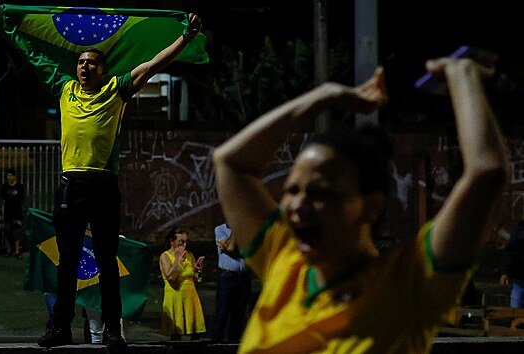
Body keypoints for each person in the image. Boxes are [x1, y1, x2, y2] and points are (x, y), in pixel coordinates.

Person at [212, 56, 509, 353]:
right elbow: (229, 162)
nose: (298, 205)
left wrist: (461, 74)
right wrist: (324, 96)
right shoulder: (284, 260)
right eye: (292, 190)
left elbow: (486, 172)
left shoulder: (408, 283)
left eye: (320, 193)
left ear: (372, 206)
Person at [0, 7, 204, 349]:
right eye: (81, 62)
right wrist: (7, 27)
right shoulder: (63, 87)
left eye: (92, 62)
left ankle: (111, 330)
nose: (85, 66)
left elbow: (155, 64)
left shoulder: (117, 89)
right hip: (70, 185)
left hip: (103, 186)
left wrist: (187, 36)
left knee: (106, 260)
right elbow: (30, 54)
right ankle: (60, 327)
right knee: (68, 261)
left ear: (104, 69)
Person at [159, 226, 206, 341]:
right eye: (181, 241)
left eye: (185, 242)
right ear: (172, 241)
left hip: (190, 296)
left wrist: (198, 270)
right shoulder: (165, 256)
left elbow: (194, 277)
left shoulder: (189, 255)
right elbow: (171, 277)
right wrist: (177, 260)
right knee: (176, 333)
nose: (184, 245)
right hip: (175, 296)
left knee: (196, 332)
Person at [211, 222, 251, 343]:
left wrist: (231, 249)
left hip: (243, 277)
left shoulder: (247, 229)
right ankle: (216, 344)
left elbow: (250, 249)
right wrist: (236, 230)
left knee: (238, 313)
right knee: (223, 312)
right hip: (227, 277)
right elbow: (231, 247)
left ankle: (233, 343)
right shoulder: (220, 229)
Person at [0, 167, 25, 259]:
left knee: (16, 232)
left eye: (10, 176)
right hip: (8, 212)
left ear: (14, 176)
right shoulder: (5, 186)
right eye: (8, 176)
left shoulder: (19, 186)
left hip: (17, 212)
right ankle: (9, 250)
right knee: (8, 231)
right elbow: (2, 196)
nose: (9, 178)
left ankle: (17, 251)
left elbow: (22, 197)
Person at [499, 220, 524, 308]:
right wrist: (505, 272)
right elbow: (509, 253)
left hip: (518, 283)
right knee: (514, 314)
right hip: (519, 283)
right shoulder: (519, 230)